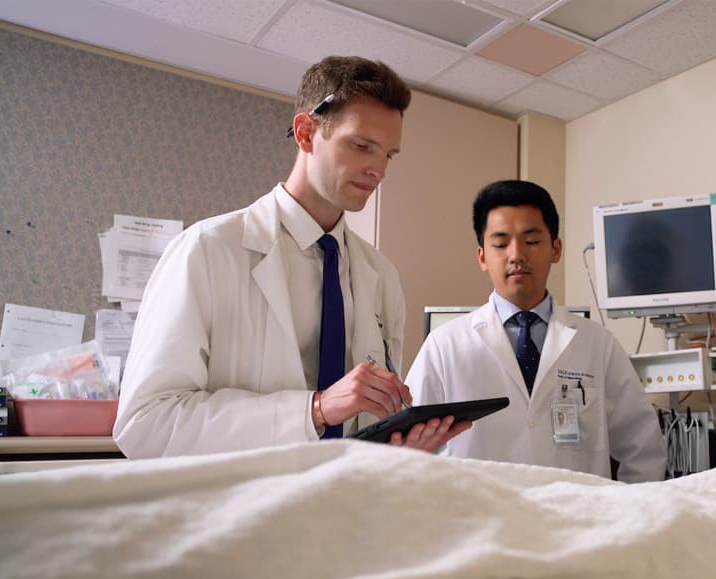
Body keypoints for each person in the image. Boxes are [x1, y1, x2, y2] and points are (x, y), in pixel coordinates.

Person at [115, 56, 468, 458]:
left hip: (346, 504)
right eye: (361, 146)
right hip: (238, 509)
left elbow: (366, 422)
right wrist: (314, 410)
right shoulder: (208, 251)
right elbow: (144, 423)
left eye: (389, 155)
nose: (377, 170)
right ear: (305, 133)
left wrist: (403, 443)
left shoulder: (380, 275)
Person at [405, 180, 666, 481]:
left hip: (576, 522)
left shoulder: (597, 343)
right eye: (501, 244)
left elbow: (643, 449)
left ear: (555, 249)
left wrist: (625, 520)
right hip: (480, 523)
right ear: (482, 257)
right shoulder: (444, 346)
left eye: (531, 241)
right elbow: (408, 452)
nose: (516, 255)